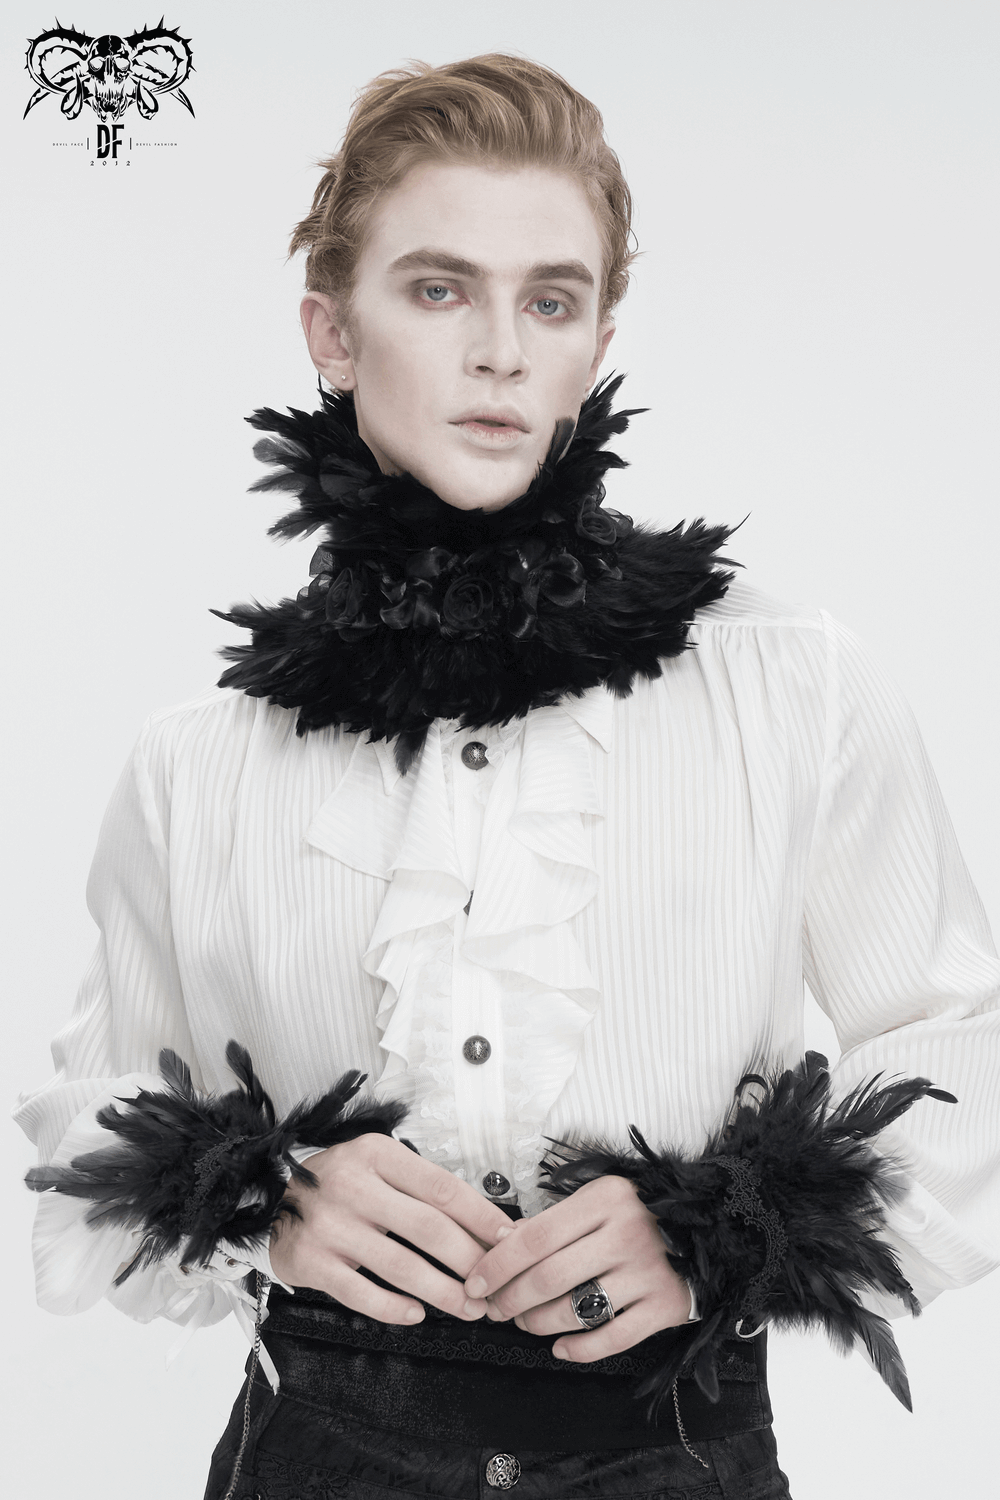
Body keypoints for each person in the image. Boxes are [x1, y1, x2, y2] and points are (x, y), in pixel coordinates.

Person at [14, 53, 1000, 1500]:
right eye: (436, 289)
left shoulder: (791, 684)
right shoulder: (196, 762)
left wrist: (730, 1228)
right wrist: (257, 1199)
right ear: (331, 333)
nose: (500, 350)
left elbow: (961, 1041)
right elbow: (95, 1110)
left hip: (674, 1450)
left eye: (549, 299)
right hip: (319, 1448)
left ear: (598, 338)